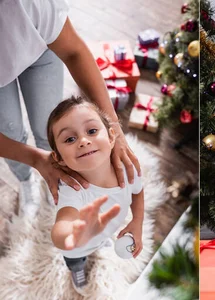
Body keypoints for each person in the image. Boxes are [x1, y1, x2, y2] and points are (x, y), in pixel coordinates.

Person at [0, 0, 141, 211]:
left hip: (40, 49)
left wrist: (116, 127)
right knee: (10, 131)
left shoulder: (32, 5)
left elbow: (75, 52)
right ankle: (25, 180)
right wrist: (36, 159)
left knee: (49, 125)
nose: (84, 142)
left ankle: (56, 180)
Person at [49, 96, 144, 291]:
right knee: (75, 261)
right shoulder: (72, 189)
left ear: (111, 137)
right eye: (70, 139)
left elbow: (138, 191)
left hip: (104, 232)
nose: (83, 141)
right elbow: (62, 224)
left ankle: (100, 242)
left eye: (92, 131)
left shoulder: (126, 169)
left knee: (101, 239)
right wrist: (71, 235)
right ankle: (77, 270)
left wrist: (137, 222)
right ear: (59, 158)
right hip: (77, 248)